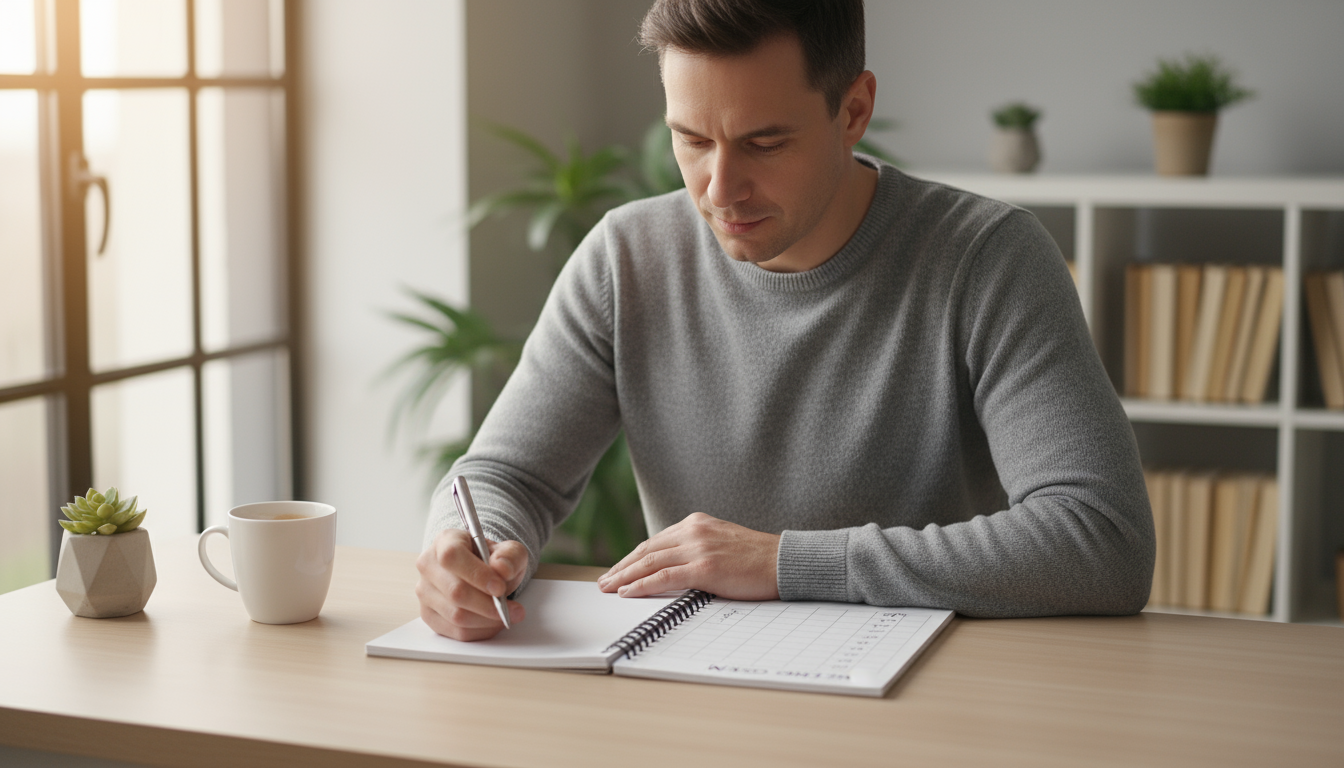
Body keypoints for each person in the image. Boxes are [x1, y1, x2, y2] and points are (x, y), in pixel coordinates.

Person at [415, 0, 1154, 642]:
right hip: (700, 695)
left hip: (930, 706)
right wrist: (462, 549)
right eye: (692, 140)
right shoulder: (626, 258)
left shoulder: (986, 260)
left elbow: (1102, 538)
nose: (720, 189)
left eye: (764, 143)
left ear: (853, 111)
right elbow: (503, 477)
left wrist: (782, 563)